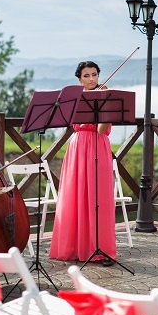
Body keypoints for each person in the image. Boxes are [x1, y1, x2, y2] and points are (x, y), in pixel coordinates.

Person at [49, 61, 116, 266]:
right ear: (79, 79)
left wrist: (107, 103)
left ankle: (101, 249)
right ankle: (75, 247)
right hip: (78, 146)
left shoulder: (106, 96)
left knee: (99, 197)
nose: (91, 79)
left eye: (94, 75)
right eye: (86, 76)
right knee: (75, 196)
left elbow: (101, 129)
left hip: (98, 145)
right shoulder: (74, 99)